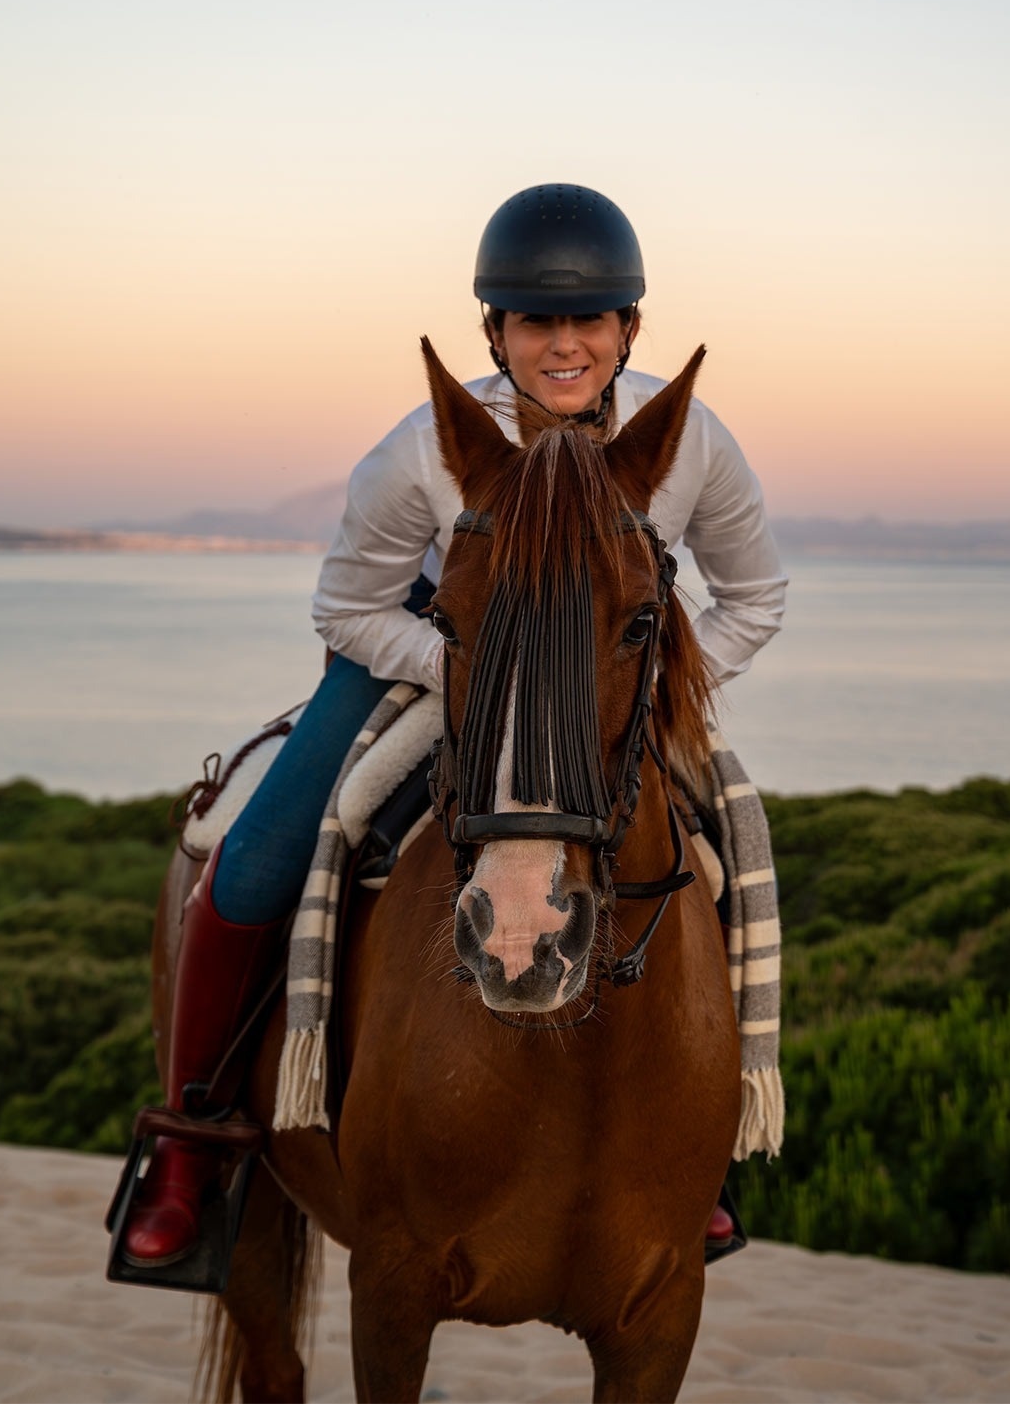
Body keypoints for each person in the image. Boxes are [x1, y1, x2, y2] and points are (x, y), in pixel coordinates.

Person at [120, 183, 786, 1269]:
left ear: (628, 328)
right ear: (497, 331)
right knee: (252, 853)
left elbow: (754, 595)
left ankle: (690, 1150)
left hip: (606, 691)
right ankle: (196, 1144)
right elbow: (345, 608)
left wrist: (647, 681)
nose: (564, 345)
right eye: (536, 321)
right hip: (423, 666)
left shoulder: (688, 440)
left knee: (729, 854)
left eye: (590, 322)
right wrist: (476, 669)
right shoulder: (421, 449)